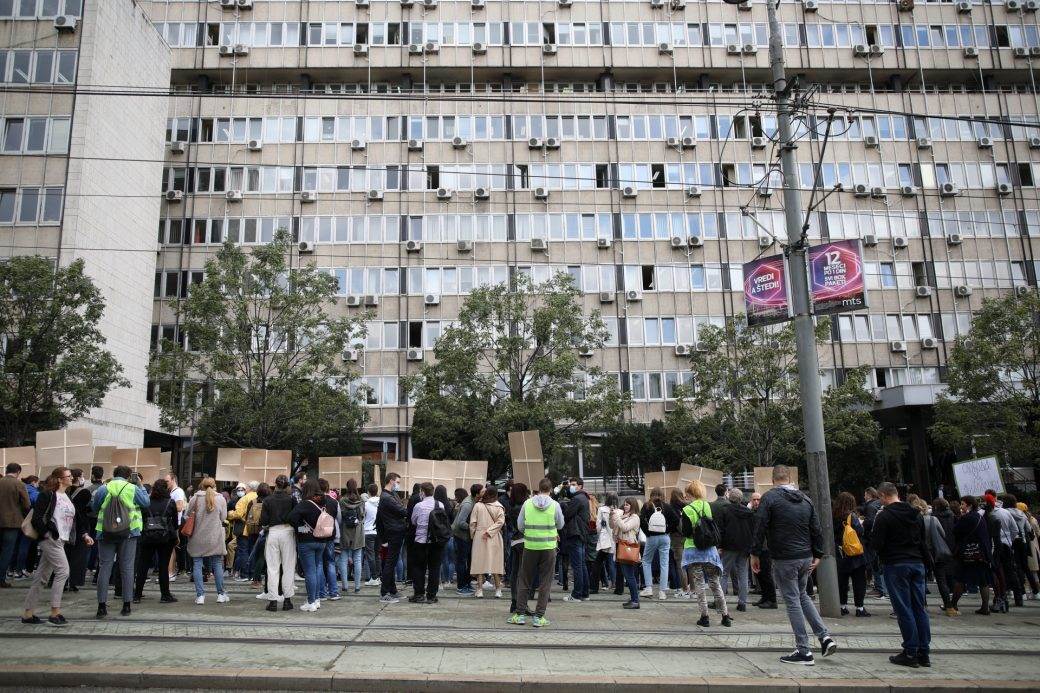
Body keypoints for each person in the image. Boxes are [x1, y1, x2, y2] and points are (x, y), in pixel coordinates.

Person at [751, 465, 836, 665]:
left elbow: (760, 526)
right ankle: (824, 637)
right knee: (802, 595)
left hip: (784, 557)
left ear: (773, 480)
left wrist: (754, 553)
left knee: (792, 600)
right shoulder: (806, 499)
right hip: (805, 556)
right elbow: (816, 528)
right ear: (789, 479)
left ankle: (804, 650)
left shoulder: (769, 498)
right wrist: (818, 553)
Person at [870, 481, 931, 668]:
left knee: (904, 609)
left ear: (882, 496)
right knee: (919, 607)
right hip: (917, 563)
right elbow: (923, 540)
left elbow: (877, 544)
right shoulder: (916, 514)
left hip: (896, 564)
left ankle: (910, 651)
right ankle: (924, 652)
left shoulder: (884, 516)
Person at [21, 467, 91, 626]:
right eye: (69, 476)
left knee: (41, 577)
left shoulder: (66, 497)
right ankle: (55, 613)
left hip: (61, 540)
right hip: (51, 540)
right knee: (63, 571)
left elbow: (77, 520)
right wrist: (47, 534)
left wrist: (85, 535)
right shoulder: (48, 495)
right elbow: (37, 518)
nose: (72, 478)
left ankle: (28, 614)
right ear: (60, 479)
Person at [92, 465, 151, 619]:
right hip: (129, 533)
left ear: (114, 474)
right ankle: (126, 606)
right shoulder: (132, 488)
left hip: (105, 533)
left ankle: (101, 607)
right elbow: (145, 503)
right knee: (127, 568)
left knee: (105, 567)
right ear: (128, 476)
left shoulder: (104, 488)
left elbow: (95, 506)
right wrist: (140, 485)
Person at [509, 478, 565, 627]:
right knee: (545, 582)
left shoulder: (527, 503)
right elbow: (561, 524)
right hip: (548, 547)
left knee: (524, 579)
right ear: (551, 489)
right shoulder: (555, 505)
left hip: (530, 546)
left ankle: (520, 614)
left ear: (538, 488)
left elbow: (520, 525)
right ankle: (539, 617)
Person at [679, 480, 731, 628]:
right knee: (715, 583)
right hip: (709, 550)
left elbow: (687, 532)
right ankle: (725, 615)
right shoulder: (706, 505)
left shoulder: (687, 510)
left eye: (687, 493)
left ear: (690, 493)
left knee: (700, 584)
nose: (685, 495)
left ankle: (705, 616)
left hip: (693, 550)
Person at [287, 479, 333, 612]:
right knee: (318, 568)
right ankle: (317, 598)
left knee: (309, 571)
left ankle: (311, 601)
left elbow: (291, 518)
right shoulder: (325, 502)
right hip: (322, 540)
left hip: (306, 542)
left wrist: (300, 527)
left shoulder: (304, 504)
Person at [133, 478, 179, 604]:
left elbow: (141, 518)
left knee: (143, 565)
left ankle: (137, 594)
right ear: (166, 489)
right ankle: (165, 595)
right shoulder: (170, 502)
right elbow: (175, 523)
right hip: (166, 538)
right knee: (163, 566)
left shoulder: (147, 502)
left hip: (147, 536)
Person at [186, 477, 230, 606]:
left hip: (197, 537)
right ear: (214, 486)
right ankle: (221, 594)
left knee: (197, 563)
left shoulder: (195, 498)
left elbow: (188, 513)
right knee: (217, 563)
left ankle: (200, 596)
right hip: (215, 537)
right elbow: (224, 518)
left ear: (201, 486)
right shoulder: (221, 499)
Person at [259, 474, 297, 611]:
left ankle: (273, 601)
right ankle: (287, 600)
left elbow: (263, 521)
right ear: (287, 485)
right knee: (288, 567)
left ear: (275, 484)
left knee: (272, 568)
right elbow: (296, 517)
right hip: (288, 532)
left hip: (273, 532)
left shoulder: (268, 500)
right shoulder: (291, 499)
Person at [409, 481, 449, 603]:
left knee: (419, 567)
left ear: (422, 492)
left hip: (421, 541)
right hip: (436, 541)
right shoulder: (440, 505)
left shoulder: (418, 506)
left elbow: (413, 521)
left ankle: (419, 594)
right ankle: (431, 595)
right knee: (435, 568)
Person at [715, 487, 754, 612]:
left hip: (729, 546)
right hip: (744, 547)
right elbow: (752, 531)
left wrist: (719, 545)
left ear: (729, 497)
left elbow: (720, 529)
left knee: (724, 573)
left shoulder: (725, 511)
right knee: (743, 574)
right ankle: (742, 602)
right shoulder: (748, 512)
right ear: (741, 498)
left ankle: (720, 601)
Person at [831, 491, 870, 617]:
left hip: (840, 553)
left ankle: (842, 606)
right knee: (859, 581)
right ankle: (859, 608)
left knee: (842, 582)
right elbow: (859, 531)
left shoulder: (832, 515)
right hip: (855, 554)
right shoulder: (851, 516)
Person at [639, 487, 678, 600]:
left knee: (646, 561)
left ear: (651, 495)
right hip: (665, 538)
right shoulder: (667, 507)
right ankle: (662, 592)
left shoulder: (647, 506)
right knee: (664, 563)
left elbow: (641, 520)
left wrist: (648, 532)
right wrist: (667, 530)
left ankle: (649, 588)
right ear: (662, 495)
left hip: (652, 538)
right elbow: (676, 520)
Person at [376, 472, 408, 604]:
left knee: (392, 562)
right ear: (391, 481)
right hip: (393, 532)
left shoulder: (391, 495)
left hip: (395, 532)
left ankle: (393, 591)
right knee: (390, 563)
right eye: (398, 482)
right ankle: (384, 593)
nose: (399, 485)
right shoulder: (386, 497)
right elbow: (403, 511)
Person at [917, 498, 953, 615]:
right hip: (936, 552)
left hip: (922, 553)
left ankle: (924, 606)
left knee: (922, 581)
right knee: (941, 580)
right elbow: (943, 534)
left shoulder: (917, 520)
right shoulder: (934, 519)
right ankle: (948, 606)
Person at [470, 485, 505, 598]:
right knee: (496, 563)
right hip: (494, 536)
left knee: (479, 563)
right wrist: (490, 531)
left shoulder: (477, 505)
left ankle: (479, 589)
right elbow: (500, 522)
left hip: (480, 536)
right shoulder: (499, 507)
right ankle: (498, 589)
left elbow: (472, 523)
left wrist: (473, 535)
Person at [560, 477, 591, 603]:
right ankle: (584, 593)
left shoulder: (577, 499)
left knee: (577, 566)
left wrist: (563, 506)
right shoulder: (583, 498)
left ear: (580, 486)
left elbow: (567, 515)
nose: (571, 487)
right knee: (582, 565)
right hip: (581, 534)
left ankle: (577, 594)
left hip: (575, 533)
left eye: (573, 484)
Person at [0, 462, 31, 588]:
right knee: (7, 551)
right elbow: (26, 504)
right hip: (12, 522)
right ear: (18, 472)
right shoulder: (19, 484)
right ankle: (1, 578)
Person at [610, 496, 642, 609]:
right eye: (624, 504)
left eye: (627, 504)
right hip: (621, 546)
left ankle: (635, 600)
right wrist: (612, 517)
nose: (625, 506)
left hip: (628, 547)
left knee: (630, 576)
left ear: (632, 506)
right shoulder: (625, 516)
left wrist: (618, 518)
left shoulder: (635, 517)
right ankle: (633, 598)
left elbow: (625, 528)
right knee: (628, 575)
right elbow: (613, 527)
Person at [64, 469, 93, 591]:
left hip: (65, 526)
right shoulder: (84, 493)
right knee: (78, 556)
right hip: (80, 526)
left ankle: (62, 581)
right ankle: (74, 582)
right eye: (82, 476)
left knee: (65, 554)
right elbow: (89, 508)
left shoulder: (64, 492)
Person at [452, 484, 481, 595]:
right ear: (477, 494)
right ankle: (461, 586)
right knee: (461, 562)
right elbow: (460, 522)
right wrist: (473, 527)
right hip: (461, 537)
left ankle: (467, 584)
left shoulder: (474, 501)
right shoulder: (468, 504)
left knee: (468, 561)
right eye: (482, 491)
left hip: (467, 537)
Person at [338, 479, 366, 595]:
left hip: (345, 530)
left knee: (343, 558)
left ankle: (344, 586)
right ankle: (357, 587)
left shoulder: (342, 500)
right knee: (357, 558)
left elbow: (340, 517)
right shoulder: (361, 501)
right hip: (357, 531)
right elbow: (362, 516)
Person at [505, 483, 529, 612]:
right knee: (523, 574)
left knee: (514, 573)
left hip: (514, 541)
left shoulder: (511, 506)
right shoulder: (524, 507)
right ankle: (521, 604)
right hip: (524, 541)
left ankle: (514, 602)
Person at [316, 478, 341, 602]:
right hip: (330, 535)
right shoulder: (334, 502)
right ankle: (334, 592)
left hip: (318, 536)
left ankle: (321, 593)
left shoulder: (315, 501)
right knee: (331, 563)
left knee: (319, 563)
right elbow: (338, 518)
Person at [592, 492, 618, 594]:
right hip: (614, 538)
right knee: (612, 561)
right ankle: (614, 582)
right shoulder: (618, 510)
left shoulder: (601, 509)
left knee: (599, 561)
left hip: (604, 537)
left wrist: (599, 533)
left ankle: (598, 584)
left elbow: (598, 525)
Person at [861, 487, 885, 598]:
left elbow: (870, 522)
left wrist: (862, 523)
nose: (864, 496)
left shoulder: (870, 507)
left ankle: (879, 588)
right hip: (882, 537)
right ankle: (882, 587)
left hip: (871, 539)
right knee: (880, 563)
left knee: (874, 563)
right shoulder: (879, 504)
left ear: (869, 495)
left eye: (865, 494)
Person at [164, 472, 187, 582]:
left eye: (167, 481)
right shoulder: (172, 491)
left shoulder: (178, 492)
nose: (166, 483)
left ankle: (171, 572)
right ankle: (171, 572)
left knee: (171, 548)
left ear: (173, 480)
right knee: (171, 548)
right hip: (172, 523)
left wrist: (167, 507)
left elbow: (180, 507)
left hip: (176, 523)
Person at [1017, 502, 1040, 599]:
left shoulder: (1020, 519)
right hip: (1033, 547)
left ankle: (1028, 592)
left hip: (1026, 547)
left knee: (1025, 570)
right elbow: (1038, 533)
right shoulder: (1032, 519)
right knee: (1032, 571)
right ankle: (1036, 592)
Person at [363, 483, 380, 586]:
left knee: (370, 555)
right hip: (378, 531)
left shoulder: (366, 504)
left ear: (368, 492)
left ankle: (373, 577)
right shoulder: (381, 502)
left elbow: (363, 516)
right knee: (377, 555)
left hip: (368, 531)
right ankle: (377, 576)